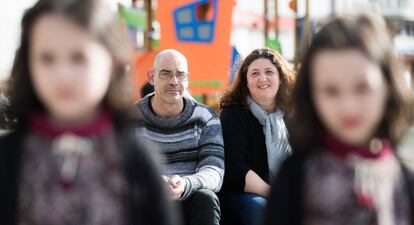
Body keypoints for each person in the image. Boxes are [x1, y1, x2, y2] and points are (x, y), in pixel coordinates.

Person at [0, 0, 178, 225]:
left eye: (78, 58)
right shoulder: (8, 158)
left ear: (112, 63)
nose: (62, 74)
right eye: (46, 58)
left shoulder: (136, 160)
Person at [263, 14, 414, 225]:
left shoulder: (404, 180)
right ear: (311, 94)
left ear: (388, 87)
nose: (348, 107)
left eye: (363, 88)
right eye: (331, 91)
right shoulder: (296, 177)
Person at [135, 49, 224, 225]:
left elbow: (214, 172)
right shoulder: (130, 118)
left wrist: (185, 184)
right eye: (166, 74)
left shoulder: (205, 117)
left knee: (206, 198)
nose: (174, 81)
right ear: (152, 77)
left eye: (180, 75)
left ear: (187, 79)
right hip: (147, 197)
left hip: (189, 194)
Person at [219, 48, 295, 225]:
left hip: (286, 191)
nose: (263, 78)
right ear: (246, 81)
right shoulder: (233, 114)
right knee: (261, 207)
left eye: (269, 72)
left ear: (281, 78)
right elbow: (235, 168)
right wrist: (276, 194)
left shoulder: (295, 113)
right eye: (255, 73)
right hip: (243, 195)